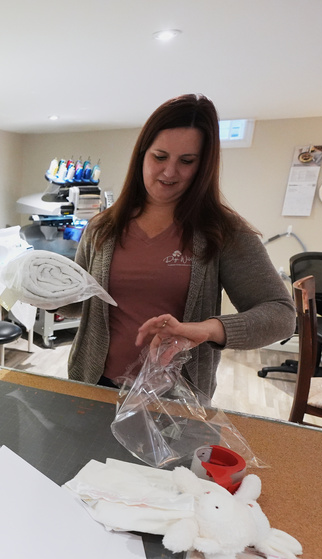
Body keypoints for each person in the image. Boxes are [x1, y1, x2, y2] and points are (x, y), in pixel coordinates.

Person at [67, 94, 295, 397]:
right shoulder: (102, 228)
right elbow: (78, 303)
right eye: (159, 157)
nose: (170, 172)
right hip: (93, 384)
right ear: (141, 155)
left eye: (186, 161)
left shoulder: (223, 231)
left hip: (176, 397)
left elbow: (281, 316)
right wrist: (38, 291)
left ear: (203, 166)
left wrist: (207, 329)